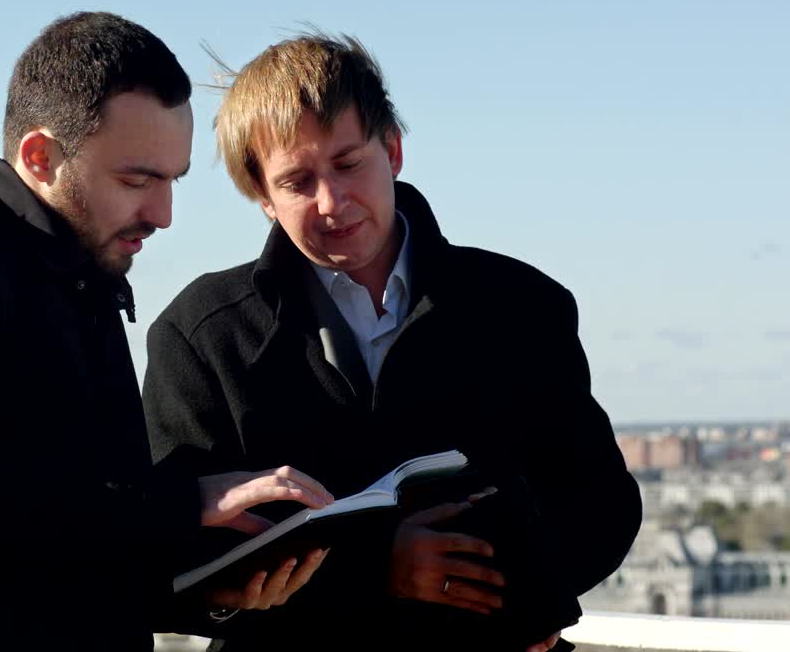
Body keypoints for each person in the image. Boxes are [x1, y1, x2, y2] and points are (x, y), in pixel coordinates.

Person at [0, 12, 329, 652]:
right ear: (40, 157)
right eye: (137, 180)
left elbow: (81, 526)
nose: (162, 214)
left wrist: (209, 586)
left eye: (172, 180)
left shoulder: (80, 271)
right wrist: (180, 507)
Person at [142, 33, 642, 651]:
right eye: (297, 181)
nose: (332, 201)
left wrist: (537, 597)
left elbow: (602, 505)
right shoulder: (200, 335)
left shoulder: (523, 306)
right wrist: (376, 571)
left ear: (395, 150)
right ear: (262, 195)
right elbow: (169, 564)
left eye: (349, 164)